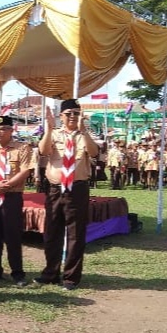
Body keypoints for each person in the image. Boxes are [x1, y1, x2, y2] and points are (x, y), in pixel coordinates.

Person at [35, 99, 99, 290]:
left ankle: (71, 277)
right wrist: (48, 129)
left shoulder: (84, 135)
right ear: (61, 116)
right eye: (69, 113)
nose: (72, 117)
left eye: (76, 113)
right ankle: (50, 273)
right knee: (52, 232)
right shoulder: (54, 134)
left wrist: (84, 130)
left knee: (75, 234)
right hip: (55, 188)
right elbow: (43, 151)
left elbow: (94, 153)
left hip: (77, 188)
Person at [0, 115, 32, 287]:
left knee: (13, 235)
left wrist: (7, 185)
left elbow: (25, 171)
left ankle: (17, 273)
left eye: (3, 129)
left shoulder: (22, 148)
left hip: (12, 196)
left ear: (11, 130)